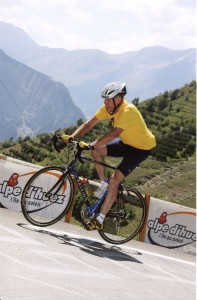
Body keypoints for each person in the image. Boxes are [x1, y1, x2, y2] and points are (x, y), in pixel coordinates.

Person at [62, 82, 156, 230]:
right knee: (96, 152)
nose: (105, 103)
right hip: (127, 142)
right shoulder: (109, 108)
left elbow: (114, 134)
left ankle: (100, 219)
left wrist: (93, 143)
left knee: (115, 179)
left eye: (107, 99)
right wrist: (72, 137)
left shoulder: (128, 110)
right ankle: (104, 184)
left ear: (118, 99)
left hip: (141, 149)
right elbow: (88, 124)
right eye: (104, 99)